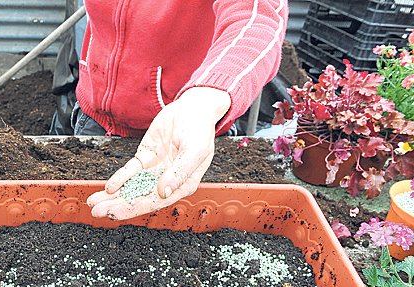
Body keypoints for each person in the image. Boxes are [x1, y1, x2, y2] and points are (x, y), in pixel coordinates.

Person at [70, 0, 288, 220]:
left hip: (185, 133)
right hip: (94, 117)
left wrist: (203, 100)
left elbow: (257, 19)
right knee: (87, 215)